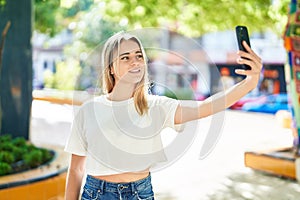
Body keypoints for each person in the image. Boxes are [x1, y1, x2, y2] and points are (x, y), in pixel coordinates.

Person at [64, 31, 262, 200]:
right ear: (111, 68)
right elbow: (76, 170)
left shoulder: (155, 106)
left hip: (140, 193)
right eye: (125, 57)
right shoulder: (89, 110)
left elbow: (205, 107)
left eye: (139, 55)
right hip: (97, 194)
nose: (135, 62)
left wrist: (249, 83)